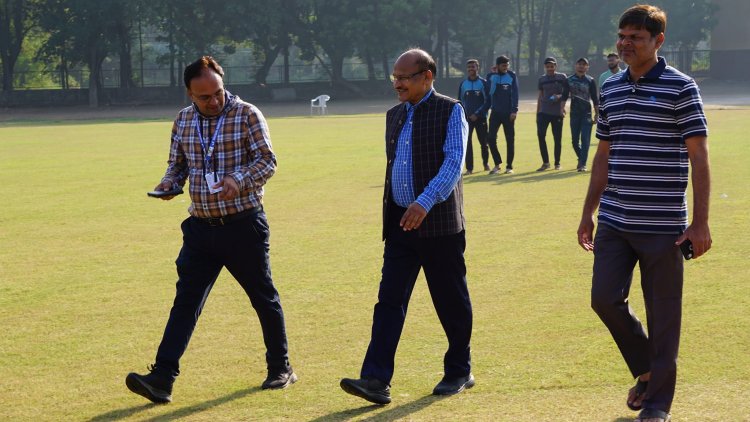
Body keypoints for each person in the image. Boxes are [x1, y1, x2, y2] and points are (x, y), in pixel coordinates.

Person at [125, 56, 296, 404]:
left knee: (263, 298)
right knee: (185, 303)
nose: (214, 101)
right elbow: (178, 164)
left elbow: (268, 161)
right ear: (189, 94)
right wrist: (169, 183)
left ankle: (281, 367)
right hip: (201, 229)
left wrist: (239, 179)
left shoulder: (247, 114)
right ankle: (162, 378)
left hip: (243, 225)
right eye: (204, 97)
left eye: (217, 92)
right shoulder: (184, 121)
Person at [577, 5, 711, 422]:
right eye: (622, 35)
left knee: (664, 317)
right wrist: (588, 212)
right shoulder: (612, 88)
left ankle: (656, 406)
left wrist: (701, 221)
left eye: (636, 36)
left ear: (658, 41)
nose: (626, 43)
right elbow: (603, 154)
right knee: (604, 299)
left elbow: (699, 157)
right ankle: (647, 370)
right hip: (616, 221)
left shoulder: (681, 87)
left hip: (663, 227)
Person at [340, 48, 473, 405]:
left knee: (450, 300)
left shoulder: (450, 110)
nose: (397, 83)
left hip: (439, 227)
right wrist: (405, 206)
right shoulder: (394, 115)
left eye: (404, 77)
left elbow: (453, 164)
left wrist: (424, 202)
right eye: (394, 77)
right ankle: (375, 379)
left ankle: (459, 370)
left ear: (427, 77)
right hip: (400, 225)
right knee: (389, 301)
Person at [478, 55, 520, 174]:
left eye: (507, 65)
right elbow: (489, 92)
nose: (506, 67)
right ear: (497, 66)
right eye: (503, 65)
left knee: (510, 140)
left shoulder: (511, 76)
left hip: (508, 114)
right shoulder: (491, 76)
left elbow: (515, 94)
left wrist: (514, 110)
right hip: (495, 113)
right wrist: (494, 76)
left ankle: (509, 166)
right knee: (491, 138)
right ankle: (497, 164)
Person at [536, 57, 569, 171]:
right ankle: (545, 163)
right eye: (548, 66)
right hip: (544, 112)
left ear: (556, 66)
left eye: (552, 66)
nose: (550, 68)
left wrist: (559, 97)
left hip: (557, 113)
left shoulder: (562, 77)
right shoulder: (542, 79)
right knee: (541, 136)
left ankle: (557, 163)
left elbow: (567, 93)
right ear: (545, 67)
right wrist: (538, 112)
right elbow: (540, 96)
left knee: (557, 138)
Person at [457, 59, 489, 174]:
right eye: (469, 67)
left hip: (480, 118)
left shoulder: (483, 83)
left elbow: (487, 101)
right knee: (467, 143)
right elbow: (460, 102)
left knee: (484, 142)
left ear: (477, 68)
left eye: (473, 67)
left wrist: (477, 114)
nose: (471, 69)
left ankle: (486, 164)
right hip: (467, 119)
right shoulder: (463, 84)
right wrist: (465, 115)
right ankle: (469, 168)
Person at [567, 57, 599, 172]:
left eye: (584, 64)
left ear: (587, 67)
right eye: (579, 64)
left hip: (587, 114)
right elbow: (565, 95)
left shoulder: (590, 80)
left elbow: (595, 99)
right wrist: (561, 109)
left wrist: (597, 114)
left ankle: (583, 164)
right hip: (574, 113)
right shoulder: (569, 80)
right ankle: (581, 158)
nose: (581, 66)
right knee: (574, 141)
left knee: (585, 140)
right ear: (576, 66)